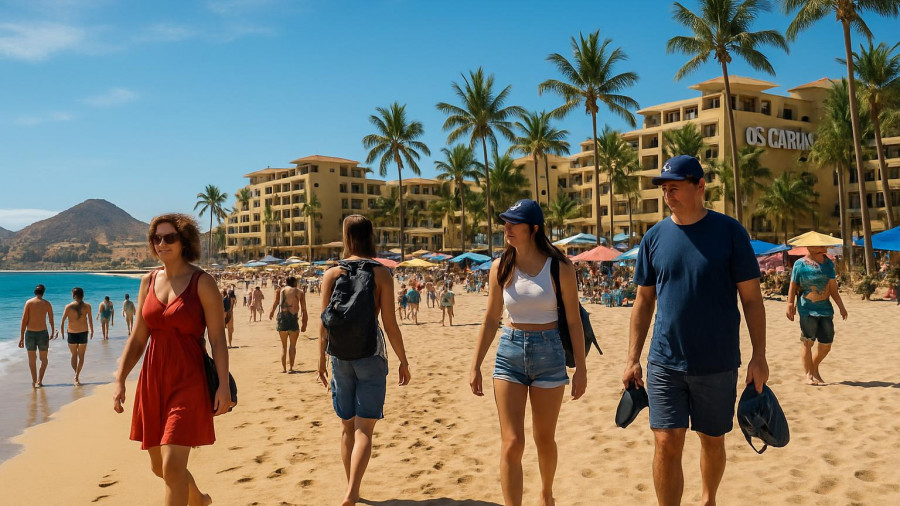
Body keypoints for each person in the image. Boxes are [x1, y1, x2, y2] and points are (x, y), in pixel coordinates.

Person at [622, 155, 767, 506]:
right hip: (664, 362)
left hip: (717, 361)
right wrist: (632, 359)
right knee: (666, 442)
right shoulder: (654, 237)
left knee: (712, 439)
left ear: (700, 187)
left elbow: (751, 299)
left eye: (675, 187)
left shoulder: (730, 233)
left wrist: (758, 357)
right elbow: (643, 301)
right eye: (664, 189)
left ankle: (708, 499)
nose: (667, 194)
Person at [470, 199, 587, 506]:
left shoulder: (560, 266)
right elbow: (491, 317)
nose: (506, 228)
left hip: (549, 353)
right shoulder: (500, 266)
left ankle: (546, 492)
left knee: (543, 438)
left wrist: (582, 370)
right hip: (509, 352)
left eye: (513, 223)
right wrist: (475, 364)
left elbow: (573, 321)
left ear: (534, 228)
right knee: (512, 443)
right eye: (505, 222)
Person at [113, 213, 232, 506]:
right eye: (156, 238)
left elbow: (218, 338)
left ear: (183, 241)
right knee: (159, 467)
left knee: (172, 467)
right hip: (153, 380)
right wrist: (120, 379)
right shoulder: (148, 281)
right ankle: (199, 500)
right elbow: (139, 337)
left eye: (169, 237)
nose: (162, 243)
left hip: (189, 379)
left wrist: (223, 386)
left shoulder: (202, 282)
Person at [317, 215, 410, 506]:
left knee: (347, 427)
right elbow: (390, 324)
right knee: (364, 430)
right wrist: (403, 360)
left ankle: (351, 490)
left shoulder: (331, 274)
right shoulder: (381, 274)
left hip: (340, 356)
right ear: (371, 236)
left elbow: (324, 324)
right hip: (371, 355)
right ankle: (352, 491)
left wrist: (320, 359)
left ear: (346, 237)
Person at [786, 245, 848, 385]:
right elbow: (793, 285)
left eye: (824, 246)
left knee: (826, 344)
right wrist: (790, 303)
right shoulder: (799, 264)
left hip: (825, 309)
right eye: (820, 247)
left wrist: (841, 306)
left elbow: (833, 289)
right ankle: (808, 375)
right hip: (806, 308)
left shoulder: (828, 265)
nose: (824, 249)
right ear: (810, 247)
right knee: (808, 341)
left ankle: (813, 367)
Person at [19, 284, 55, 388]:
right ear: (43, 292)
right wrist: (52, 331)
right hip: (43, 333)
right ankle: (39, 380)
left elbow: (24, 320)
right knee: (44, 359)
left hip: (30, 333)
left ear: (35, 292)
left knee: (32, 359)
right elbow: (51, 320)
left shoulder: (29, 303)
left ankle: (34, 381)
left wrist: (21, 337)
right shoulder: (47, 304)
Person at [270, 276, 308, 372]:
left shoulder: (280, 290)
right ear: (295, 282)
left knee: (284, 346)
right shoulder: (299, 292)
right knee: (292, 346)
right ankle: (291, 368)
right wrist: (304, 324)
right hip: (293, 319)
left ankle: (284, 369)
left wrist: (271, 312)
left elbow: (275, 303)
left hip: (282, 320)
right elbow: (304, 309)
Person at [60, 287, 93, 386]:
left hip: (72, 333)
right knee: (81, 356)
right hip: (83, 332)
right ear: (82, 295)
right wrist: (92, 330)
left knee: (74, 355)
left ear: (73, 295)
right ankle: (77, 375)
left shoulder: (68, 307)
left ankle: (76, 375)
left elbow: (63, 321)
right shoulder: (87, 306)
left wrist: (62, 332)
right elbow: (90, 319)